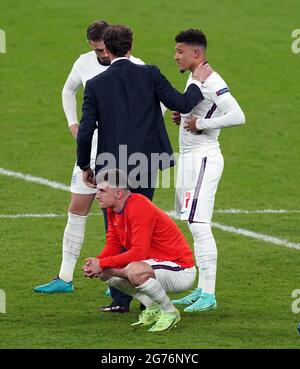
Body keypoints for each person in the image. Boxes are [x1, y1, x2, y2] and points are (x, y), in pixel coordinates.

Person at [34, 21, 145, 312]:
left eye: (105, 49)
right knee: (77, 206)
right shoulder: (84, 63)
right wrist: (73, 123)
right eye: (98, 50)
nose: (103, 55)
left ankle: (122, 283)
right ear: (91, 45)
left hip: (120, 151)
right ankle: (65, 277)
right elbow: (67, 90)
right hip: (90, 147)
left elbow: (154, 103)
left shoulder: (136, 66)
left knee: (122, 216)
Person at [77, 24, 212, 187]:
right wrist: (197, 81)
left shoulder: (94, 85)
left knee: (114, 213)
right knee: (141, 212)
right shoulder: (151, 74)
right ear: (130, 46)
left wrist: (84, 166)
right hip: (145, 162)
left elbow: (85, 130)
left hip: (110, 164)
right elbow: (182, 104)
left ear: (106, 48)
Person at [170, 29, 245, 312]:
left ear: (196, 53)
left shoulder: (211, 80)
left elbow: (238, 116)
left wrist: (201, 125)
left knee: (200, 225)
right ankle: (201, 289)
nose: (175, 56)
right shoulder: (194, 76)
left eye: (180, 51)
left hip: (204, 158)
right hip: (189, 159)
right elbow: (198, 106)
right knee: (192, 223)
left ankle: (209, 295)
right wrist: (184, 115)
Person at [82, 169, 196, 332]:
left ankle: (170, 312)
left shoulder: (139, 207)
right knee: (104, 272)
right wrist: (96, 263)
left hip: (179, 269)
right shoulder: (112, 208)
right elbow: (113, 243)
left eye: (102, 191)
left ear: (118, 193)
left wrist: (102, 263)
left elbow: (138, 253)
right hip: (155, 266)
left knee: (135, 271)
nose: (97, 195)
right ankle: (152, 306)